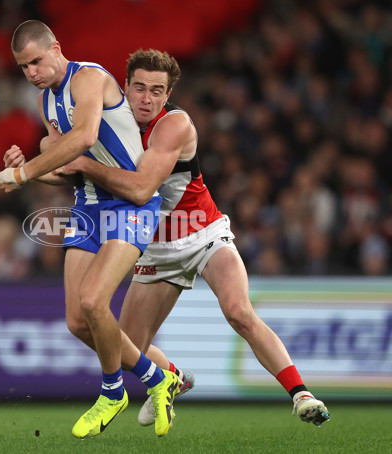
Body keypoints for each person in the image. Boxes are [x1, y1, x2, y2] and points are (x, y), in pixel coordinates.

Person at [51, 49, 331, 427]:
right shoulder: (102, 125)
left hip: (203, 233)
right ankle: (173, 379)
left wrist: (82, 162)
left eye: (156, 91)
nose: (146, 99)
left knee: (238, 311)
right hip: (154, 249)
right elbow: (66, 167)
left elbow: (140, 187)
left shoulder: (174, 124)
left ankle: (302, 395)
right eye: (138, 88)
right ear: (124, 88)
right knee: (124, 345)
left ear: (168, 95)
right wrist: (30, 168)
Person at [0, 21, 180, 438]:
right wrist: (32, 172)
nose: (33, 72)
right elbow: (70, 172)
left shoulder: (90, 78)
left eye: (37, 60)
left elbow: (85, 136)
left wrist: (22, 174)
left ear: (56, 48)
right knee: (77, 320)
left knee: (95, 301)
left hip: (131, 204)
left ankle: (113, 392)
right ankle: (158, 377)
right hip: (88, 207)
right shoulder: (45, 101)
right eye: (24, 67)